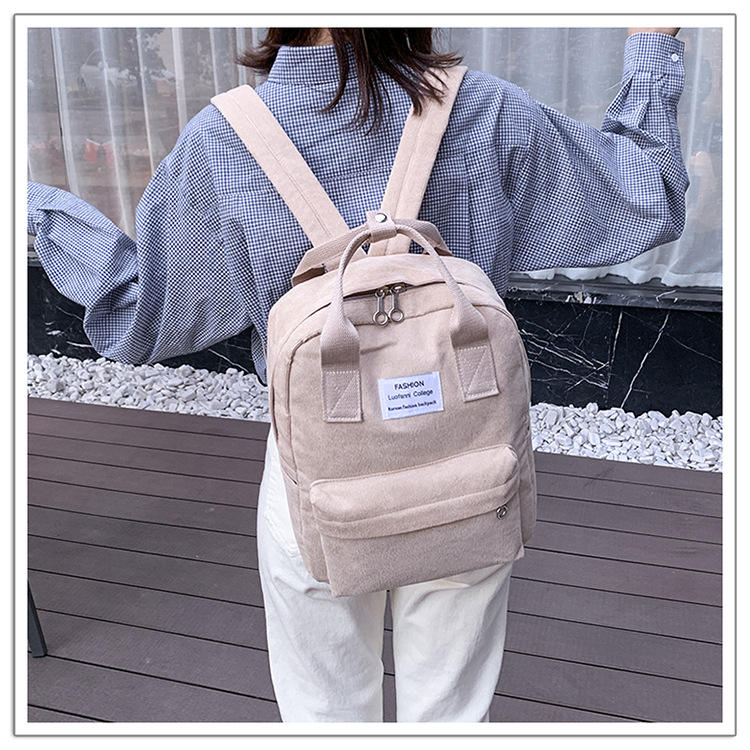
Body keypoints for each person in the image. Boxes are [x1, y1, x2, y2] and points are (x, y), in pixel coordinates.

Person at [27, 26, 688, 722]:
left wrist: (43, 210)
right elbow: (646, 195)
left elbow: (137, 322)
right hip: (469, 458)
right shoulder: (487, 111)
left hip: (317, 471)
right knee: (451, 715)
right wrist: (651, 42)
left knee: (325, 711)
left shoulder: (222, 141)